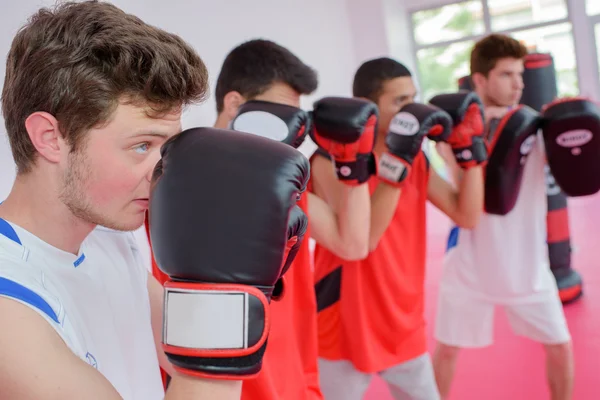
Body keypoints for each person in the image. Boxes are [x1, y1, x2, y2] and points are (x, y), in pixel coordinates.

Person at [0, 2, 306, 399]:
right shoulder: (10, 313)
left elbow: (179, 351)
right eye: (141, 145)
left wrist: (239, 281)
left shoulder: (109, 236)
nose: (161, 171)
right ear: (50, 138)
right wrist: (227, 293)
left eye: (168, 146)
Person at [145, 39, 375, 400]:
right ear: (236, 104)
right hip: (220, 387)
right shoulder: (177, 185)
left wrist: (354, 166)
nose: (293, 129)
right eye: (283, 113)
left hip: (297, 385)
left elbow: (352, 243)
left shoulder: (280, 184)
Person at [311, 57, 485, 400]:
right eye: (399, 101)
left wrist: (469, 153)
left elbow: (466, 215)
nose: (412, 110)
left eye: (412, 98)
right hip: (344, 319)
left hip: (402, 318)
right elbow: (365, 239)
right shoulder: (330, 161)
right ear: (369, 107)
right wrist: (397, 163)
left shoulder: (416, 157)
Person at [432, 34, 574, 400]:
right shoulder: (456, 131)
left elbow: (575, 171)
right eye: (507, 75)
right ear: (480, 79)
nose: (519, 84)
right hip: (470, 261)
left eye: (521, 75)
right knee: (446, 350)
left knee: (560, 346)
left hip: (527, 264)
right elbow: (462, 188)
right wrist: (463, 143)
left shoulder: (536, 126)